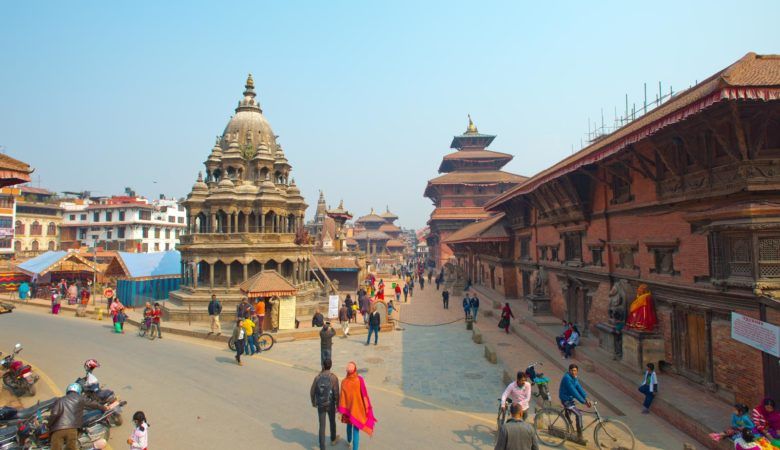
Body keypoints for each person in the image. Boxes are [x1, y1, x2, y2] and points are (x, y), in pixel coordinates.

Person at [48, 383, 106, 450]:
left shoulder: (59, 400)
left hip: (58, 430)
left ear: (68, 390)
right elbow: (93, 404)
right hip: (72, 430)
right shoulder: (80, 398)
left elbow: (54, 414)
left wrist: (49, 425)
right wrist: (104, 408)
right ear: (79, 391)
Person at [338, 362, 377, 450]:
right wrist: (367, 407)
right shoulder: (359, 380)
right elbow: (364, 395)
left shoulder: (344, 382)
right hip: (357, 409)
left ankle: (349, 440)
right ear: (355, 370)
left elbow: (342, 397)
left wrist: (342, 409)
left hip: (348, 409)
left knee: (349, 425)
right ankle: (355, 448)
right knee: (356, 430)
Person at [311, 358, 340, 450]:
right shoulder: (333, 378)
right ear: (331, 365)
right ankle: (333, 439)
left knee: (322, 426)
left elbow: (312, 391)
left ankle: (322, 447)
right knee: (332, 421)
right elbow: (336, 393)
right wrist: (337, 405)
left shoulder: (317, 377)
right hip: (330, 404)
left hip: (320, 405)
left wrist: (314, 402)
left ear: (323, 365)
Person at [559, 364, 591, 438]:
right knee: (578, 414)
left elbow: (579, 388)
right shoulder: (567, 378)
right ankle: (579, 436)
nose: (574, 372)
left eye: (575, 371)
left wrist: (586, 397)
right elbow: (574, 392)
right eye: (572, 370)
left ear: (577, 371)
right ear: (569, 371)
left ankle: (569, 425)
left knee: (569, 412)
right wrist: (583, 402)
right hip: (565, 399)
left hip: (570, 398)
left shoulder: (574, 377)